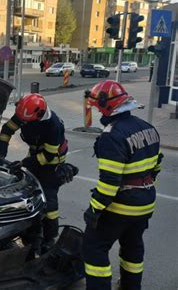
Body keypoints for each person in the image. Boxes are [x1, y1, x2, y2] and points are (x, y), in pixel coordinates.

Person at [83, 80, 162, 290]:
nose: (98, 111)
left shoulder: (112, 136)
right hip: (146, 202)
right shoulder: (148, 128)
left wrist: (94, 208)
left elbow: (110, 182)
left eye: (98, 107)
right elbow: (157, 163)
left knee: (94, 248)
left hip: (121, 206)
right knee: (133, 247)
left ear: (106, 105)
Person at [0, 93, 69, 255]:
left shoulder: (53, 126)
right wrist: (0, 156)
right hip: (35, 154)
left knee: (49, 202)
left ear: (39, 115)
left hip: (53, 162)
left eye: (27, 120)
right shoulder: (25, 113)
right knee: (29, 193)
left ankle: (49, 238)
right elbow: (7, 130)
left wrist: (23, 163)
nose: (23, 122)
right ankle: (32, 232)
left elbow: (47, 156)